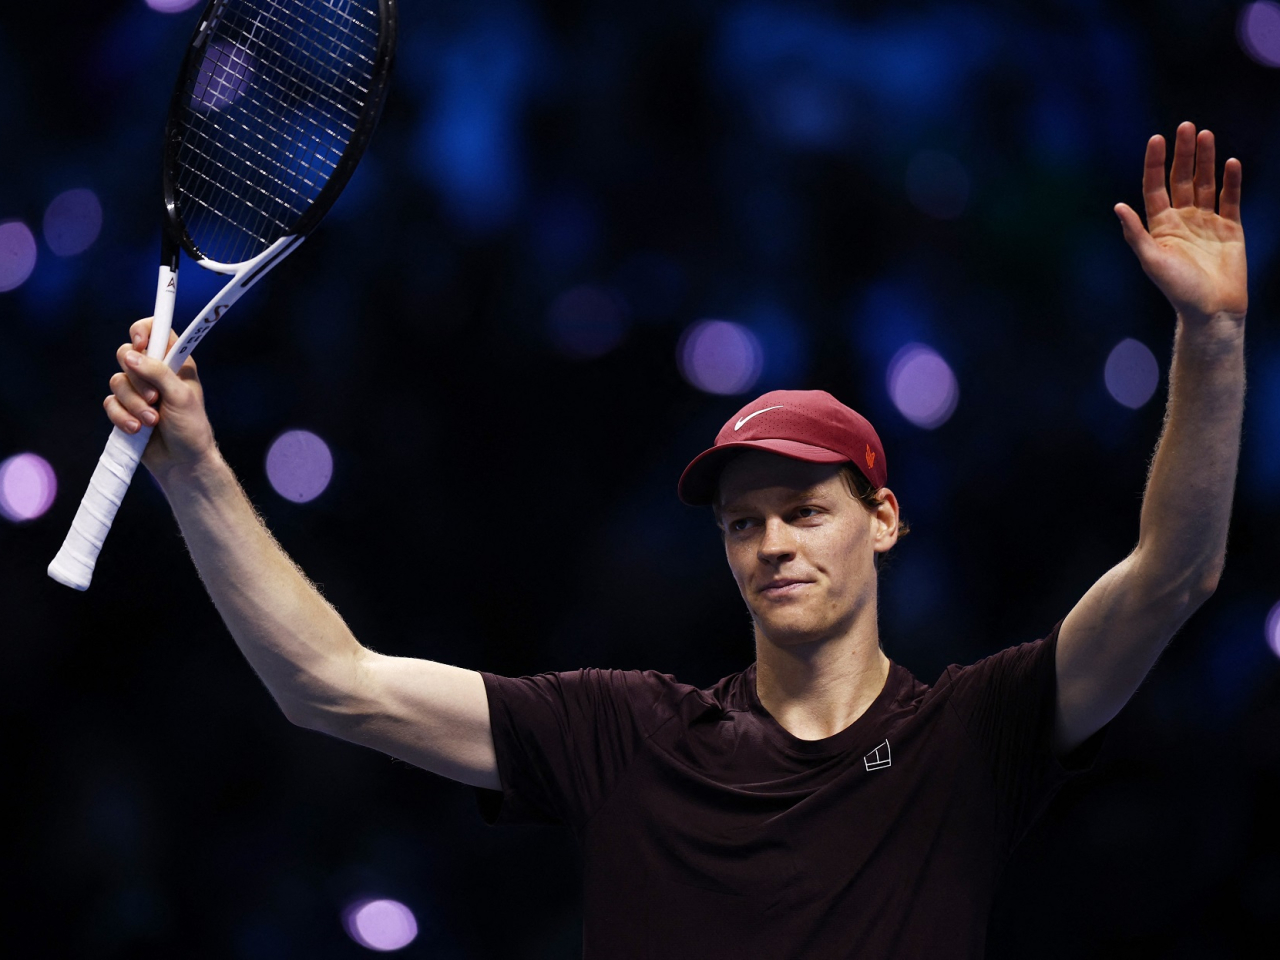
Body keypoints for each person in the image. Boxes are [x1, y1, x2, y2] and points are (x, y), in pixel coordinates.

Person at [102, 122, 1246, 957]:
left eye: (805, 513)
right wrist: (197, 466)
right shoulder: (627, 734)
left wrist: (1208, 336)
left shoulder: (972, 735)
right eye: (742, 524)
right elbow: (330, 686)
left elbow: (1173, 576)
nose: (771, 546)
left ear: (882, 522)